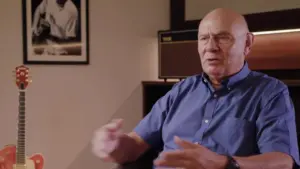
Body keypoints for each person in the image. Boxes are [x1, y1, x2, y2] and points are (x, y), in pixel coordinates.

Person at [91, 8, 300, 169]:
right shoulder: (181, 90)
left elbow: (282, 161)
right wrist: (115, 147)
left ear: (247, 43)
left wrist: (222, 163)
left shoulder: (270, 93)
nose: (211, 47)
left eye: (223, 37)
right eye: (204, 38)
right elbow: (135, 145)